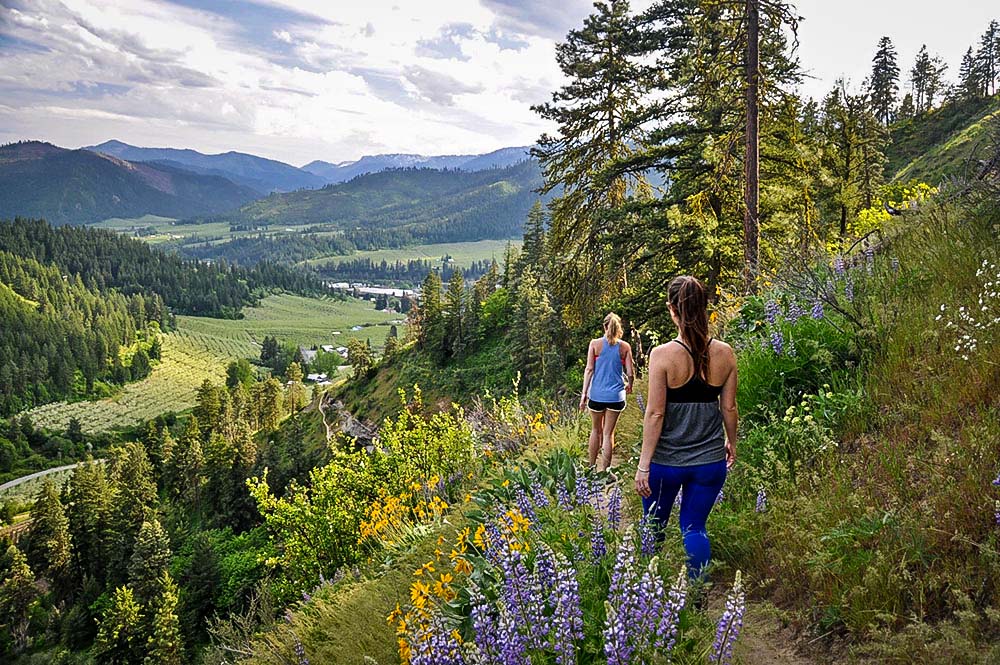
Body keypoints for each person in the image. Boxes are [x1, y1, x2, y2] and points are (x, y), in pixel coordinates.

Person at [634, 276, 738, 580]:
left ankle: (649, 590)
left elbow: (654, 413)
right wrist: (732, 441)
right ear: (704, 308)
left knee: (653, 527)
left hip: (666, 464)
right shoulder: (726, 353)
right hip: (709, 462)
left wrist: (643, 466)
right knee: (694, 527)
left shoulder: (662, 355)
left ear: (672, 309)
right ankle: (696, 596)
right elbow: (729, 408)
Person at [579, 312, 635, 472]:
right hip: (616, 397)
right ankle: (606, 471)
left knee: (596, 430)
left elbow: (589, 369)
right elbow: (630, 373)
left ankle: (591, 468)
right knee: (608, 434)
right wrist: (629, 385)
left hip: (596, 395)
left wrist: (584, 395)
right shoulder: (625, 347)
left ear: (604, 327)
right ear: (619, 328)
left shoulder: (595, 344)